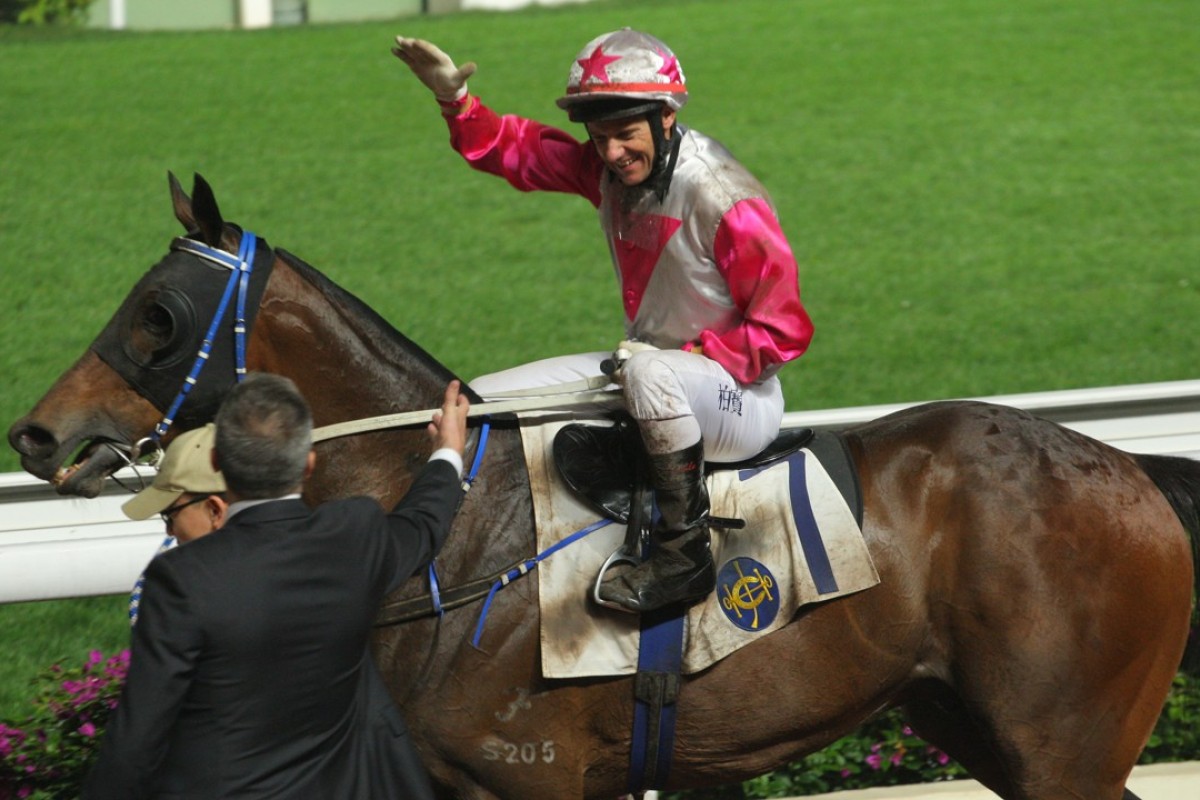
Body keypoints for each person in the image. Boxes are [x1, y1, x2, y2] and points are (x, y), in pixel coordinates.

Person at [392, 29, 814, 614]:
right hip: (650, 371)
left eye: (625, 135)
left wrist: (689, 356)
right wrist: (455, 102)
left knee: (648, 375)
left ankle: (685, 553)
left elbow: (785, 331)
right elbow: (518, 151)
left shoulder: (723, 197)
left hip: (737, 399)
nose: (611, 153)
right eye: (598, 138)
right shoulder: (608, 170)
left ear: (666, 118)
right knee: (481, 401)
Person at [83, 374, 468, 799]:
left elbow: (136, 741)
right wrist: (448, 451)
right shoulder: (355, 534)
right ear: (308, 463)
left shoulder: (180, 578)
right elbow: (423, 524)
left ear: (216, 461)